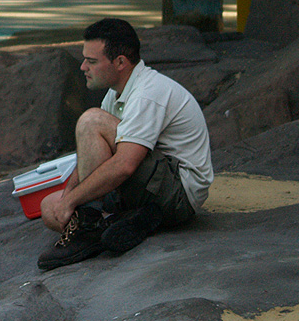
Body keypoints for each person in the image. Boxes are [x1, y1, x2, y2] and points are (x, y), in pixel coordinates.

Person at [37, 17, 213, 271]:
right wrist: (67, 199)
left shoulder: (148, 93)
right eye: (84, 59)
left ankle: (89, 228)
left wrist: (72, 203)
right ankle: (117, 222)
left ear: (120, 62)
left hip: (178, 194)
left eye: (92, 61)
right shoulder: (116, 93)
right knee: (48, 206)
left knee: (90, 121)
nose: (83, 67)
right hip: (149, 187)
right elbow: (91, 159)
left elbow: (124, 165)